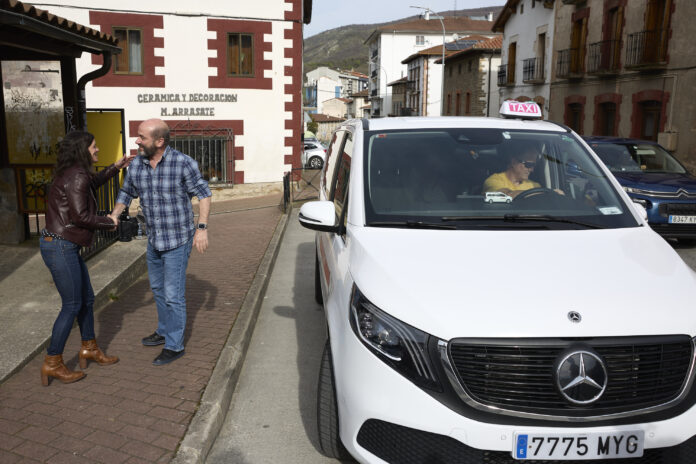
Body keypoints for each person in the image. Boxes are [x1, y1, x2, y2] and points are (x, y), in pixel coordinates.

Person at [109, 119, 212, 366]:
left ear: (159, 141)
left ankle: (174, 345)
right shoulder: (138, 164)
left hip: (178, 239)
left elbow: (204, 194)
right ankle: (164, 330)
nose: (137, 141)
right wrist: (114, 214)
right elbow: (127, 191)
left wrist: (202, 228)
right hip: (154, 239)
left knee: (173, 295)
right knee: (157, 289)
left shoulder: (183, 163)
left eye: (141, 137)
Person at [40, 131, 133, 386]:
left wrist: (115, 168)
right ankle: (52, 362)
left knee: (86, 299)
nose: (97, 149)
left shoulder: (74, 172)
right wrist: (110, 221)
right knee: (71, 305)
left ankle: (89, 348)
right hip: (60, 246)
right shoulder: (77, 176)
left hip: (63, 245)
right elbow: (80, 217)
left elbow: (91, 184)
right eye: (94, 146)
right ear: (82, 150)